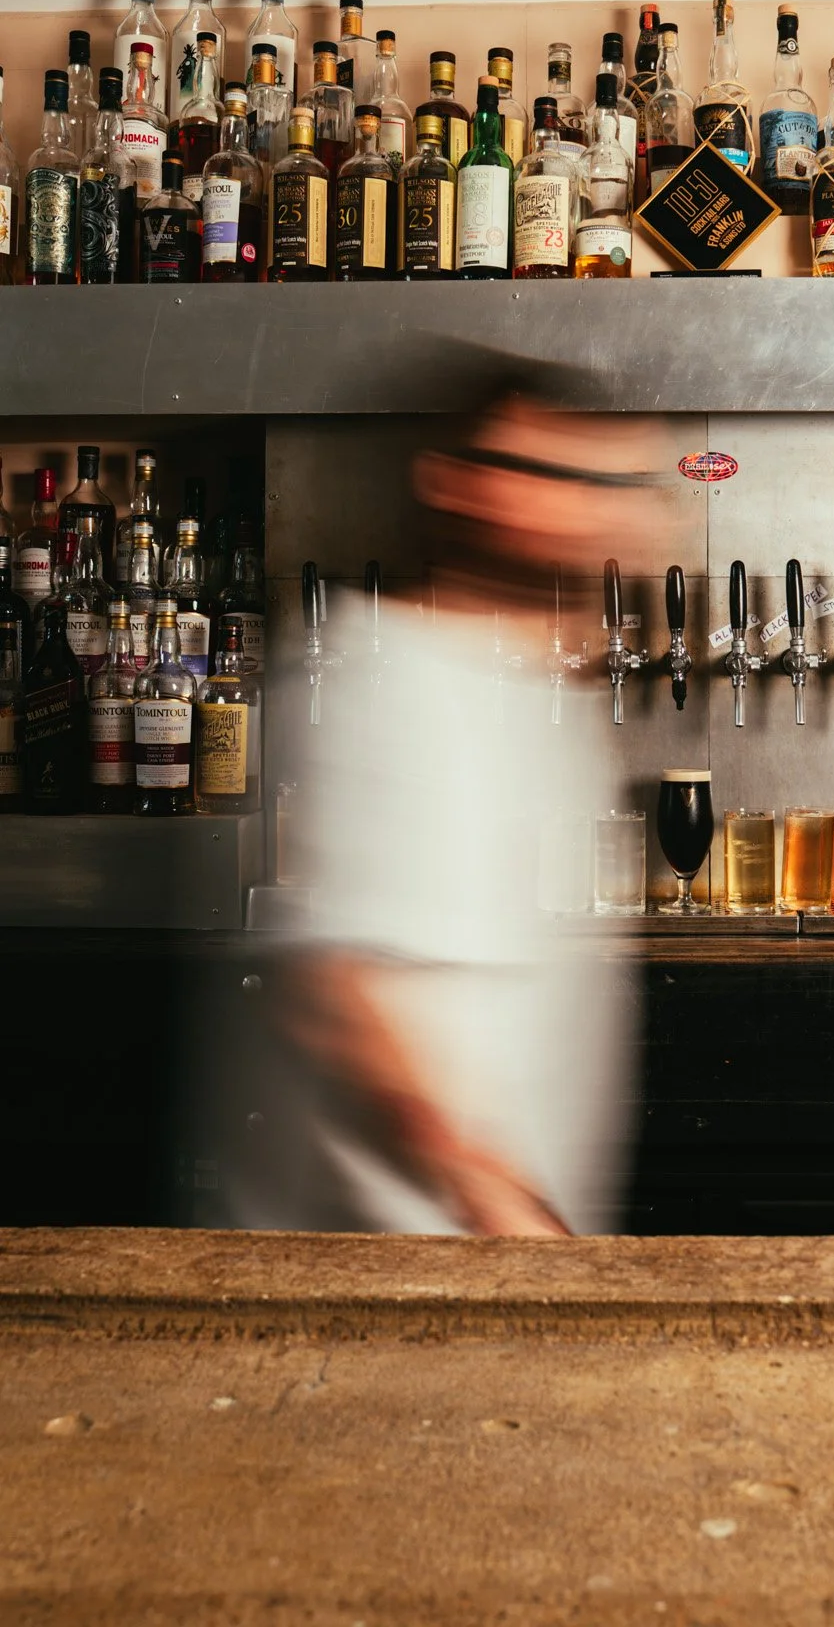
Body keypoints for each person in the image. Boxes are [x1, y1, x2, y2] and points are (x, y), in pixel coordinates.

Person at [226, 355, 662, 1235]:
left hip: (493, 1255)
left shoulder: (538, 686)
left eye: (605, 481)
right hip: (394, 1260)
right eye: (550, 475)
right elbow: (340, 993)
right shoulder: (384, 677)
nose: (589, 505)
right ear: (454, 486)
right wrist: (509, 1213)